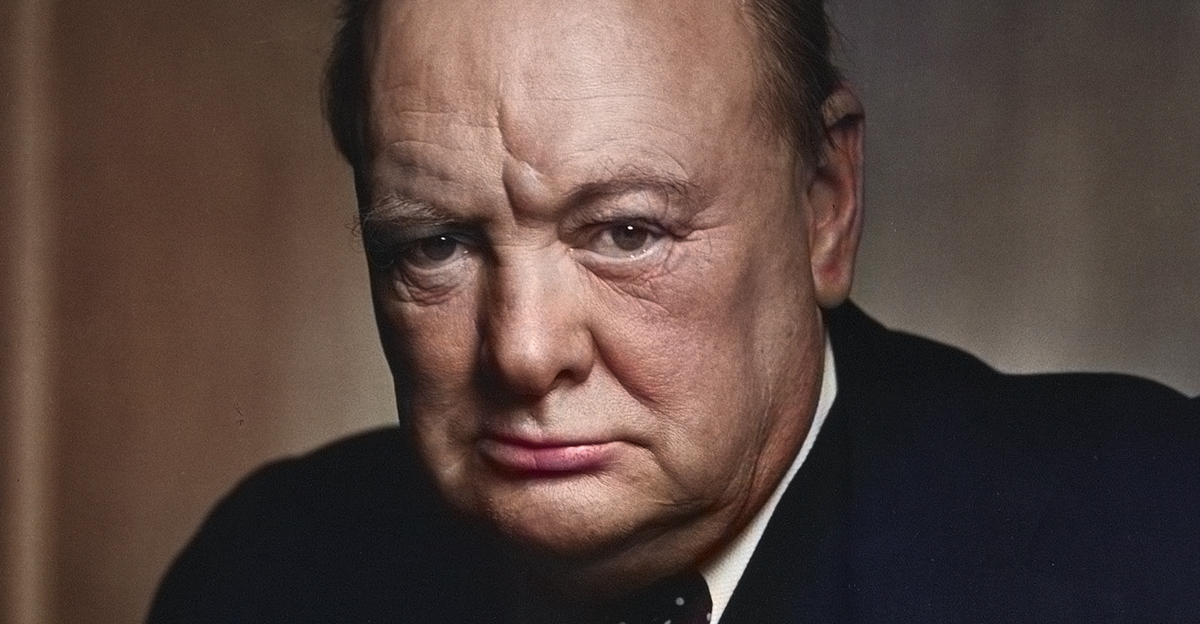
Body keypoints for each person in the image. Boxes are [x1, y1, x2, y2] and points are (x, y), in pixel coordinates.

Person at [146, 0, 1200, 622]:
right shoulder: (263, 577)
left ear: (822, 206)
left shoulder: (1150, 543)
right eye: (436, 243)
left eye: (626, 232)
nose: (522, 351)